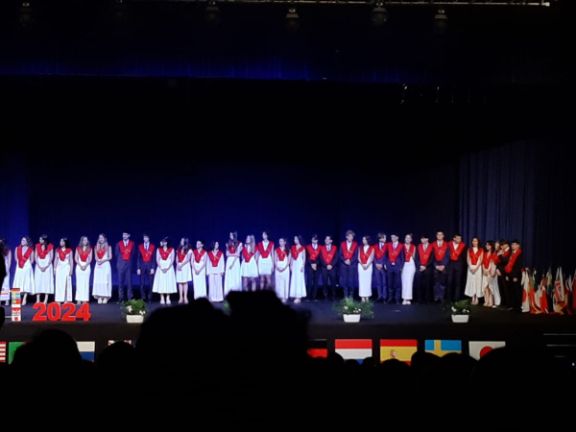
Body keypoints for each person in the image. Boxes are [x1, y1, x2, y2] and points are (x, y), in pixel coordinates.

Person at [152, 237, 177, 305]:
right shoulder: (158, 249)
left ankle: (168, 297)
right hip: (161, 267)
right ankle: (162, 297)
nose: (164, 243)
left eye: (165, 242)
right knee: (161, 282)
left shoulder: (171, 249)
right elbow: (157, 259)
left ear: (167, 242)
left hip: (169, 267)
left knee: (168, 282)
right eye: (163, 242)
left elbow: (172, 259)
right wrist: (161, 267)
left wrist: (168, 267)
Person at [14, 236, 35, 306]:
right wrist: (20, 263)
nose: (22, 241)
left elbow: (32, 260)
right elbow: (16, 258)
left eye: (24, 240)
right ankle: (17, 299)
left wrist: (26, 264)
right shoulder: (17, 248)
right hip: (19, 267)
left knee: (26, 282)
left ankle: (25, 298)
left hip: (27, 267)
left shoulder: (30, 250)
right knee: (18, 281)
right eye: (22, 240)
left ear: (27, 242)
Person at [115, 232, 135, 302]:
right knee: (120, 282)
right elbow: (117, 254)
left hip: (128, 265)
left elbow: (133, 254)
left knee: (129, 282)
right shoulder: (119, 243)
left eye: (126, 235)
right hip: (121, 265)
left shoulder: (132, 244)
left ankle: (130, 297)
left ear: (129, 235)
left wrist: (129, 262)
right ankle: (121, 298)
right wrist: (121, 261)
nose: (124, 236)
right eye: (123, 235)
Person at [34, 234, 54, 304]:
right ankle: (38, 299)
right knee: (38, 281)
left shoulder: (50, 246)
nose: (39, 240)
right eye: (39, 239)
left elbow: (51, 257)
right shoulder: (37, 246)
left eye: (41, 239)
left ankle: (46, 299)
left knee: (47, 281)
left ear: (44, 240)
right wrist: (39, 265)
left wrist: (47, 265)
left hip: (47, 264)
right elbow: (35, 256)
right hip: (39, 264)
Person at [446, 234, 466, 302]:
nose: (459, 240)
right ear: (454, 238)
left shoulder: (463, 245)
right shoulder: (449, 244)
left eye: (460, 239)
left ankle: (457, 298)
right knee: (449, 281)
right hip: (450, 264)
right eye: (458, 238)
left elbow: (464, 256)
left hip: (459, 264)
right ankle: (449, 298)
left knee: (458, 282)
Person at [93, 234, 113, 304]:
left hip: (105, 264)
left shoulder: (109, 247)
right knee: (98, 280)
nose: (101, 239)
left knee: (105, 280)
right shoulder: (96, 247)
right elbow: (95, 256)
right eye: (99, 238)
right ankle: (99, 296)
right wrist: (98, 261)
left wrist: (103, 261)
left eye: (102, 238)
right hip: (98, 264)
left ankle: (105, 297)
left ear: (105, 238)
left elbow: (110, 257)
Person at [464, 237, 484, 305]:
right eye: (473, 241)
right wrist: (470, 267)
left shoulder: (481, 250)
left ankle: (477, 298)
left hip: (478, 268)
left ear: (478, 242)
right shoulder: (469, 249)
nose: (474, 242)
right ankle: (472, 297)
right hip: (470, 268)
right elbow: (468, 258)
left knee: (477, 282)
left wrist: (476, 268)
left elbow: (481, 260)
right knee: (471, 282)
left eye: (476, 241)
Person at [505, 240, 523, 312]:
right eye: (512, 244)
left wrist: (515, 276)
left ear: (518, 245)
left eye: (514, 244)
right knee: (511, 290)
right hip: (510, 274)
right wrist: (507, 274)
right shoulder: (511, 254)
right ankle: (512, 305)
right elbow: (508, 264)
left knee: (517, 291)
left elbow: (518, 266)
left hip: (516, 275)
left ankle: (518, 307)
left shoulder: (520, 254)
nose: (513, 246)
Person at [415, 234, 434, 303]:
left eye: (424, 239)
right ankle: (419, 299)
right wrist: (420, 265)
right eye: (421, 239)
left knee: (427, 284)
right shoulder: (418, 246)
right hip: (420, 267)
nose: (422, 240)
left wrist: (425, 266)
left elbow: (432, 258)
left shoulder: (431, 247)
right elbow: (416, 258)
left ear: (427, 239)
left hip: (428, 267)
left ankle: (427, 299)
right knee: (419, 283)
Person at [339, 230, 358, 298]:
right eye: (349, 236)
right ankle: (345, 296)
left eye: (352, 236)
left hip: (352, 265)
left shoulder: (355, 244)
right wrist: (345, 260)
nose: (351, 238)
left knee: (351, 281)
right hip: (344, 265)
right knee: (345, 281)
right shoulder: (342, 244)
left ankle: (351, 296)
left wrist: (350, 261)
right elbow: (340, 255)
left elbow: (356, 255)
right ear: (346, 237)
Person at [386, 234, 404, 304]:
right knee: (390, 283)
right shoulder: (388, 245)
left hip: (397, 266)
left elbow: (402, 257)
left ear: (397, 237)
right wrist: (387, 264)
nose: (392, 238)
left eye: (394, 237)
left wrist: (401, 266)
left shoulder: (401, 246)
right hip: (390, 266)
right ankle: (390, 298)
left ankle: (397, 299)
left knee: (397, 283)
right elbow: (386, 255)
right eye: (391, 237)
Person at [432, 231, 449, 302]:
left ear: (443, 236)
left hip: (443, 265)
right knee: (436, 282)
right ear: (436, 236)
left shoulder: (447, 244)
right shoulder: (433, 244)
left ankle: (441, 297)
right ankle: (436, 297)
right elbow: (431, 256)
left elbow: (447, 255)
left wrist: (444, 265)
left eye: (441, 234)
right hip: (436, 265)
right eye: (438, 234)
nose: (439, 235)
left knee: (442, 282)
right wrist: (436, 266)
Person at [54, 238, 73, 304]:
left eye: (62, 241)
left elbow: (71, 260)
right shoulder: (57, 250)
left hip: (66, 268)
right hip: (59, 268)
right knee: (59, 284)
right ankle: (59, 299)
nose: (60, 242)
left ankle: (66, 299)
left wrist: (71, 270)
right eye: (60, 241)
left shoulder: (69, 250)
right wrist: (55, 269)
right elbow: (56, 260)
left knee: (66, 284)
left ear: (65, 242)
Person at [137, 234, 155, 302]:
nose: (145, 239)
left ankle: (150, 297)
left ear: (149, 238)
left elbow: (153, 258)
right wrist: (138, 268)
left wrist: (153, 267)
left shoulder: (152, 246)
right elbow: (138, 258)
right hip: (142, 266)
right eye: (144, 237)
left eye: (146, 237)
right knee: (142, 283)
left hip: (150, 266)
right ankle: (143, 297)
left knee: (150, 283)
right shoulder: (140, 246)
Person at [319, 235, 338, 301]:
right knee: (325, 282)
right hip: (324, 268)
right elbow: (320, 258)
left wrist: (331, 265)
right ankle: (325, 295)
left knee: (333, 282)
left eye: (328, 239)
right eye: (325, 239)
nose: (326, 240)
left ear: (331, 241)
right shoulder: (322, 248)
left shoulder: (334, 248)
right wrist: (325, 265)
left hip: (332, 268)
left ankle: (334, 295)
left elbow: (336, 258)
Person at [75, 236, 92, 304]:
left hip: (87, 266)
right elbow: (76, 258)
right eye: (84, 240)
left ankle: (85, 299)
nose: (85, 241)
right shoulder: (78, 248)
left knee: (85, 282)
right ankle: (78, 299)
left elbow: (90, 258)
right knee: (79, 283)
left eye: (86, 240)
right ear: (81, 241)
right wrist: (80, 265)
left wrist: (85, 265)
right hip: (79, 266)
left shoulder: (90, 249)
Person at [481, 241, 500, 308]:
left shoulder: (493, 254)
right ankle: (486, 301)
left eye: (488, 245)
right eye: (486, 245)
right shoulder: (485, 253)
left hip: (490, 272)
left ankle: (491, 301)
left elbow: (491, 263)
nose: (487, 246)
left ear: (491, 246)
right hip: (485, 272)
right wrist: (484, 270)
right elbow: (483, 262)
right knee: (485, 287)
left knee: (490, 287)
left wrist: (488, 270)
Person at [289, 235, 306, 304]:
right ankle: (294, 294)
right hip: (294, 265)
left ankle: (299, 296)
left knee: (299, 280)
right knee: (294, 279)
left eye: (295, 239)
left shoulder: (302, 248)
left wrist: (302, 266)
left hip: (299, 264)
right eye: (294, 239)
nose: (294, 240)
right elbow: (292, 257)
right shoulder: (292, 248)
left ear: (299, 240)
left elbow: (304, 258)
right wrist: (291, 265)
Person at [175, 237, 192, 304]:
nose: (181, 242)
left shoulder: (189, 250)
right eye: (181, 240)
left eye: (182, 241)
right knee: (180, 282)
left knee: (185, 282)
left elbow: (188, 259)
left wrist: (181, 265)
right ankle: (180, 297)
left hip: (185, 266)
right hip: (179, 266)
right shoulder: (178, 249)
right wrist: (177, 264)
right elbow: (176, 257)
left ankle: (185, 297)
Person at [358, 235, 374, 303]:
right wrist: (362, 265)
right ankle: (362, 297)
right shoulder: (360, 248)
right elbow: (358, 257)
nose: (363, 241)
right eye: (362, 239)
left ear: (367, 240)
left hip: (368, 266)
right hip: (361, 266)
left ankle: (367, 296)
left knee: (368, 281)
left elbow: (372, 258)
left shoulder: (371, 248)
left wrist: (367, 265)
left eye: (364, 239)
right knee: (361, 281)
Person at [401, 234, 416, 305]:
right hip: (404, 264)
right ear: (404, 239)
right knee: (404, 281)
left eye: (409, 238)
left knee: (410, 282)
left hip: (411, 264)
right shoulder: (401, 246)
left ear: (411, 239)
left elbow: (414, 256)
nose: (407, 239)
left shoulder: (413, 247)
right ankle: (404, 298)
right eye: (406, 238)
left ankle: (408, 298)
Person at [274, 237, 290, 302]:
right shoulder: (276, 250)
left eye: (282, 241)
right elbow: (275, 259)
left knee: (285, 282)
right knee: (278, 282)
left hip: (285, 267)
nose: (280, 242)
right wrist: (277, 267)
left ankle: (284, 296)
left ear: (285, 242)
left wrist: (285, 267)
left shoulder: (288, 250)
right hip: (278, 266)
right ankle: (279, 296)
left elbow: (289, 260)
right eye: (279, 241)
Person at [306, 235, 321, 301]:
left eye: (315, 239)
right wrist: (311, 264)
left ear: (317, 240)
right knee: (309, 281)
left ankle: (314, 297)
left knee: (316, 282)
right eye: (313, 239)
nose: (314, 240)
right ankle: (308, 297)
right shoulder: (308, 247)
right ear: (311, 240)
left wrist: (316, 264)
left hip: (318, 267)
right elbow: (306, 257)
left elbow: (321, 257)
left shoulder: (320, 247)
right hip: (310, 266)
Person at [496, 240, 511, 308]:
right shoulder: (502, 252)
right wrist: (497, 269)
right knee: (501, 288)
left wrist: (500, 255)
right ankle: (502, 303)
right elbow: (498, 262)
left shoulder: (509, 252)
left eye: (503, 244)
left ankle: (508, 304)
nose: (502, 246)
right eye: (501, 245)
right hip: (499, 272)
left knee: (506, 289)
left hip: (505, 273)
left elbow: (506, 262)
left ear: (507, 245)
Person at [373, 233, 387, 302]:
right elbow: (373, 256)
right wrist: (376, 264)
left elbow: (387, 256)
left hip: (383, 266)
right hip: (376, 266)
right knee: (378, 282)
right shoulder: (375, 246)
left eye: (385, 238)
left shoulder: (387, 246)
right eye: (383, 238)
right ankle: (379, 296)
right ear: (380, 238)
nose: (384, 239)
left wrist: (382, 264)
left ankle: (384, 297)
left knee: (384, 282)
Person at [0, 239, 11, 305]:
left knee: (6, 284)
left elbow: (9, 261)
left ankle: (7, 300)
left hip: (5, 267)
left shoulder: (7, 251)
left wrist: (7, 269)